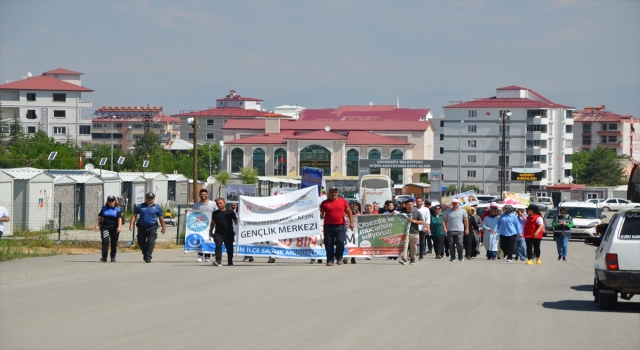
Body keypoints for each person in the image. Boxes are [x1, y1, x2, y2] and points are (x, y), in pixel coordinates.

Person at [319, 187, 354, 266]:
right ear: (329, 193)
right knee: (329, 243)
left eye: (335, 192)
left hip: (340, 225)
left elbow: (349, 211)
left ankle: (339, 257)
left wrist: (351, 222)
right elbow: (321, 212)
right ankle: (330, 260)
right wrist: (319, 213)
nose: (334, 194)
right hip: (328, 226)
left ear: (338, 193)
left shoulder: (343, 201)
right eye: (332, 192)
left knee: (340, 242)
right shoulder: (324, 203)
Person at [129, 192, 166, 263]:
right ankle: (145, 253)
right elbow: (134, 215)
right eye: (148, 198)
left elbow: (161, 217)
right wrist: (131, 224)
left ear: (154, 199)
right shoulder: (140, 206)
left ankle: (148, 257)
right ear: (145, 198)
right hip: (141, 227)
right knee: (140, 241)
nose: (150, 199)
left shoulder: (157, 207)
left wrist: (163, 227)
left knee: (150, 242)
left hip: (152, 227)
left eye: (151, 198)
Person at [186, 188, 217, 262]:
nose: (203, 195)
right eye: (202, 194)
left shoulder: (213, 204)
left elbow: (217, 212)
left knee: (208, 239)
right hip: (200, 225)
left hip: (210, 225)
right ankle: (200, 255)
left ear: (207, 195)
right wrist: (188, 212)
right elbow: (193, 214)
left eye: (205, 194)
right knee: (200, 239)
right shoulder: (196, 205)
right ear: (199, 195)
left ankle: (207, 256)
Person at [208, 198, 239, 266]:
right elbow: (213, 222)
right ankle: (218, 260)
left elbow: (235, 220)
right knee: (218, 245)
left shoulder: (230, 212)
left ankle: (230, 261)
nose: (219, 205)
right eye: (218, 204)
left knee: (229, 247)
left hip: (229, 233)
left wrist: (241, 222)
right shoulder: (215, 213)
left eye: (220, 203)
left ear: (224, 203)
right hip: (218, 233)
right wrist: (210, 231)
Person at [95, 195, 123, 262]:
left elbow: (120, 219)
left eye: (112, 201)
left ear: (115, 201)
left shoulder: (118, 209)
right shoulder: (104, 208)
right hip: (105, 227)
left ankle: (113, 256)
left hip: (114, 228)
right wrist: (96, 225)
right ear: (107, 201)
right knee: (105, 242)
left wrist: (119, 227)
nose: (111, 202)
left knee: (114, 242)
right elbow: (100, 218)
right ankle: (104, 257)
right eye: (109, 201)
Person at [399, 199, 424, 265]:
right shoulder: (402, 213)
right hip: (404, 233)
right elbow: (396, 219)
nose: (410, 206)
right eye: (408, 204)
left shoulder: (417, 213)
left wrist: (414, 221)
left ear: (413, 205)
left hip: (414, 232)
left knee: (414, 247)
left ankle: (413, 258)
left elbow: (422, 222)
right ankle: (404, 258)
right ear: (405, 205)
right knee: (404, 246)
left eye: (411, 204)